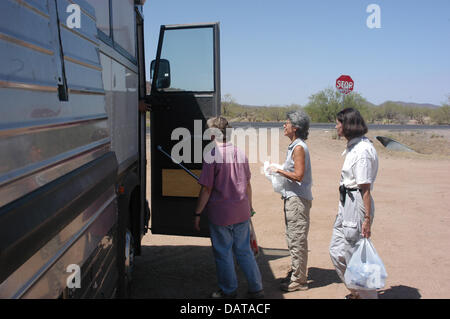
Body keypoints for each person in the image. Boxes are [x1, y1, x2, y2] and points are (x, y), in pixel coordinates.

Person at [194, 116, 264, 299]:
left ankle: (229, 290)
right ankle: (256, 288)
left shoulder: (211, 154)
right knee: (244, 251)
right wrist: (249, 208)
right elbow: (247, 185)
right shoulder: (240, 153)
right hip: (241, 212)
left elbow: (207, 189)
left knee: (223, 253)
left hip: (221, 215)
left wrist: (197, 212)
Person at [329, 108, 379, 299]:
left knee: (357, 255)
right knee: (336, 251)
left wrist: (366, 219)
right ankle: (357, 292)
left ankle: (367, 296)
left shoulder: (363, 151)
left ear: (348, 125)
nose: (336, 127)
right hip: (346, 203)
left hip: (356, 203)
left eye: (338, 123)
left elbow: (364, 189)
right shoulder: (354, 146)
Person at [270, 110, 313, 292]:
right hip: (292, 198)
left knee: (297, 239)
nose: (284, 126)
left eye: (286, 123)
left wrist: (278, 171)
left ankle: (299, 280)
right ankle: (297, 273)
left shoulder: (298, 148)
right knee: (293, 238)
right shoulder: (295, 146)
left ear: (295, 127)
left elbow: (299, 175)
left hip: (297, 200)